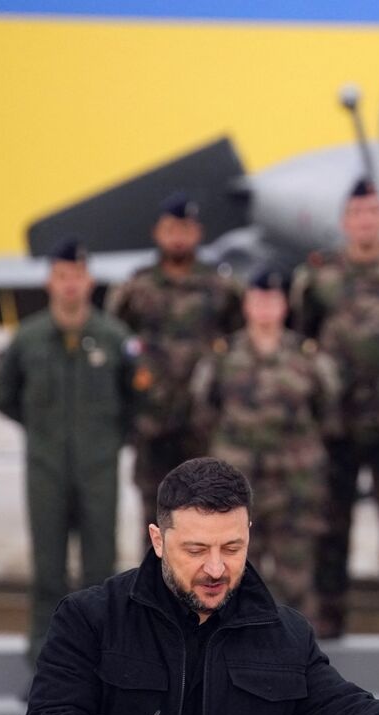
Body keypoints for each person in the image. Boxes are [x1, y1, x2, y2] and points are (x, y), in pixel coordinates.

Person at [21, 457, 379, 715]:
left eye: (232, 548)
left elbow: (344, 711)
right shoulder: (90, 616)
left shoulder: (284, 634)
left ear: (249, 534)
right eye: (196, 550)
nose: (216, 569)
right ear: (157, 540)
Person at [289, 178, 379, 637]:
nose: (365, 221)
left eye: (373, 212)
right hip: (335, 424)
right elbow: (301, 340)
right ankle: (326, 624)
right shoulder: (319, 277)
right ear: (345, 221)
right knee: (329, 525)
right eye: (357, 214)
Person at [0, 236, 137, 665]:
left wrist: (107, 441)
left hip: (98, 470)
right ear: (49, 282)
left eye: (77, 275)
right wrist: (42, 432)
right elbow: (4, 396)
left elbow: (135, 400)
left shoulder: (114, 338)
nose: (70, 284)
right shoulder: (29, 338)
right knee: (48, 572)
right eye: (61, 276)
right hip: (46, 470)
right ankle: (46, 662)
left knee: (101, 571)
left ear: (89, 281)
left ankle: (105, 661)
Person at [190, 265, 340, 621]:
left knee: (295, 580)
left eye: (272, 301)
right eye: (258, 300)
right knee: (234, 575)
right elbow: (203, 412)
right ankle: (233, 653)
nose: (265, 309)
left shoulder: (308, 358)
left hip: (295, 487)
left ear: (284, 306)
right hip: (238, 489)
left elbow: (327, 412)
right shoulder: (223, 356)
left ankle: (295, 652)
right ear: (246, 305)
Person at [107, 191, 243, 531]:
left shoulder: (221, 287)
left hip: (203, 426)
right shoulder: (136, 288)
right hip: (152, 426)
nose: (178, 238)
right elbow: (115, 347)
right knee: (155, 521)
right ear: (157, 232)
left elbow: (240, 346)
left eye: (185, 229)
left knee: (206, 518)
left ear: (198, 233)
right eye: (171, 229)